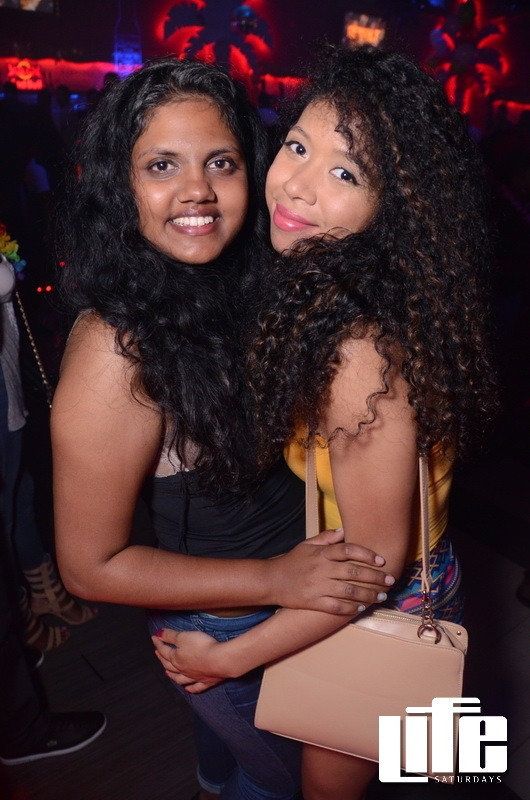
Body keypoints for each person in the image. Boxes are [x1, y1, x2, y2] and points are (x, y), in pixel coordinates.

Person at [152, 45, 497, 800]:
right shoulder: (336, 292)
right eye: (299, 147)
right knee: (423, 773)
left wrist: (228, 658)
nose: (297, 183)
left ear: (393, 208)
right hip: (407, 577)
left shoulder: (358, 354)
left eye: (346, 174)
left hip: (387, 604)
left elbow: (374, 566)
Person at [50, 58, 393, 800]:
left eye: (221, 162)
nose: (197, 190)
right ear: (120, 185)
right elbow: (89, 566)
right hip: (231, 625)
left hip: (293, 603)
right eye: (162, 166)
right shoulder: (117, 347)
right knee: (277, 785)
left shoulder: (261, 279)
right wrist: (277, 578)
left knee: (236, 764)